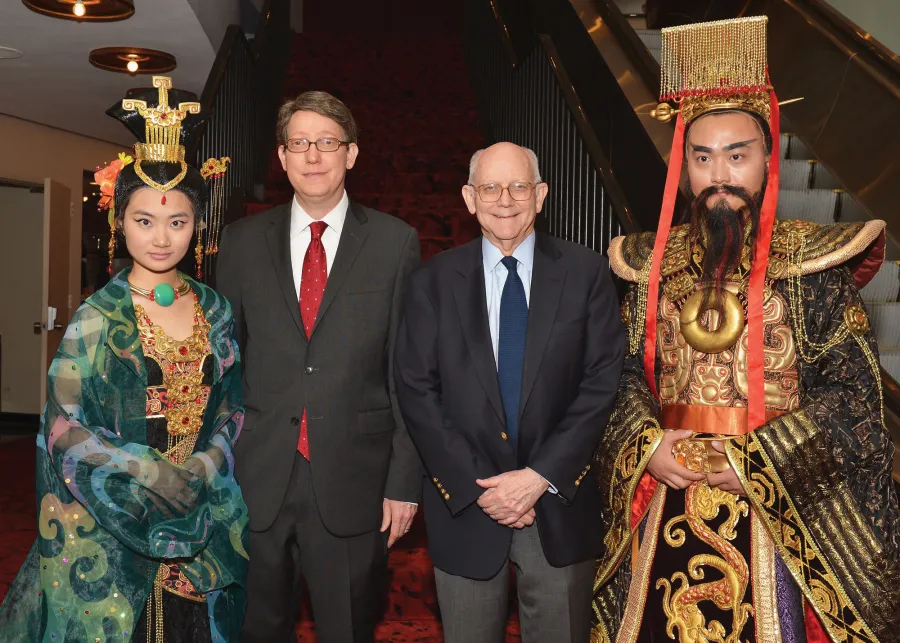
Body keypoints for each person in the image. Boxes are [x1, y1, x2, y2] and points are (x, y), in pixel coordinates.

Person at [592, 17, 900, 643]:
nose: (721, 175)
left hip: (780, 513)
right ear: (683, 164)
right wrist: (651, 446)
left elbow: (854, 400)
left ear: (766, 158)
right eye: (702, 157)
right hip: (670, 497)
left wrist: (759, 460)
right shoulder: (651, 266)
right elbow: (619, 379)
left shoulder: (814, 268)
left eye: (739, 154)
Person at [0, 76, 248, 642]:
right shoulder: (96, 317)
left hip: (199, 512)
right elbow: (60, 426)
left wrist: (205, 467)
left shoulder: (216, 308)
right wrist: (144, 470)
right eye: (145, 220)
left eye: (178, 221)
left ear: (198, 226)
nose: (162, 238)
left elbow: (233, 408)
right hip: (114, 520)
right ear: (119, 222)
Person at [393, 142, 625, 643]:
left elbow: (602, 380)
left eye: (519, 186)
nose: (505, 199)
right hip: (468, 507)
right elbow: (415, 388)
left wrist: (540, 476)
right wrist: (481, 485)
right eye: (490, 187)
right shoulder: (432, 281)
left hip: (558, 505)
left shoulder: (586, 274)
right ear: (468, 198)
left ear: (540, 195)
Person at [215, 91, 421, 643]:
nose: (313, 156)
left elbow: (407, 370)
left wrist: (404, 481)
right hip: (257, 476)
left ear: (351, 154)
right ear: (281, 158)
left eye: (327, 142)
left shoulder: (394, 242)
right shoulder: (239, 243)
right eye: (299, 143)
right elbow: (224, 366)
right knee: (256, 630)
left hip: (356, 478)